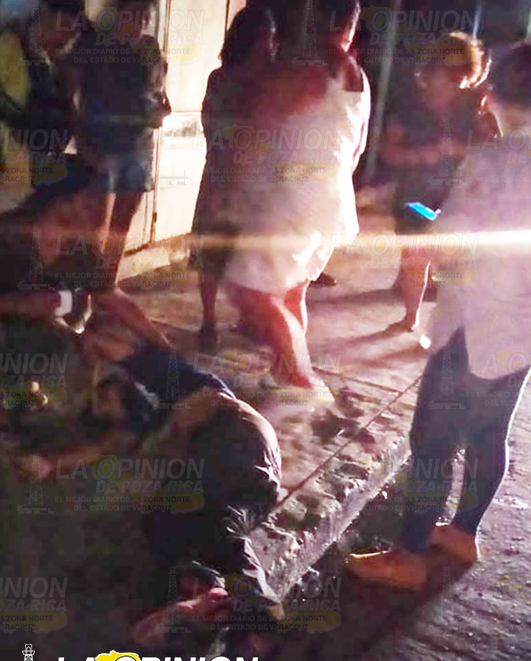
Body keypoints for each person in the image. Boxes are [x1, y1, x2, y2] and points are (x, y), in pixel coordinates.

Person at [346, 42, 531, 590]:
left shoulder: (497, 160)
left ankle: (407, 555)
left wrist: (429, 231)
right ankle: (463, 531)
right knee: (490, 433)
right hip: (522, 330)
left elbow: (454, 241)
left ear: (498, 95)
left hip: (475, 322)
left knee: (431, 439)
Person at [16, 318, 285, 656]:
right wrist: (49, 463)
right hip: (242, 483)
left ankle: (253, 611)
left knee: (211, 518)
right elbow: (100, 446)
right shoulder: (132, 427)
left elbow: (102, 341)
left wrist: (83, 356)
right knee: (164, 524)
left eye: (103, 400)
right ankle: (210, 597)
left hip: (236, 435)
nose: (103, 410)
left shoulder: (157, 373)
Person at [196, 0, 369, 398]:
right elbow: (357, 150)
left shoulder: (308, 69)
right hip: (330, 202)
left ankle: (301, 378)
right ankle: (283, 371)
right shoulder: (360, 79)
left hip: (291, 201)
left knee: (251, 291)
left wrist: (230, 189)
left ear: (315, 17)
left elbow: (258, 132)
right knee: (291, 293)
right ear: (351, 25)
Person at [0, 168, 170, 432]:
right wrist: (18, 303)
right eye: (90, 202)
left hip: (36, 332)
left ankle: (28, 389)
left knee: (79, 397)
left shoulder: (79, 246)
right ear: (60, 201)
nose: (100, 211)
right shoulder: (4, 235)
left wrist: (163, 345)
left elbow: (111, 296)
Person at [381, 31, 497, 333]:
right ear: (433, 69)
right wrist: (420, 155)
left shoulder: (474, 107)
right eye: (451, 75)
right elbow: (389, 152)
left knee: (456, 261)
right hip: (416, 194)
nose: (457, 85)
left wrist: (457, 149)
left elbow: (493, 151)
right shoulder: (409, 106)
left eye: (462, 78)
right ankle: (410, 317)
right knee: (415, 256)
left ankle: (452, 323)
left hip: (461, 196)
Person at [61, 0, 171, 287]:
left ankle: (106, 290)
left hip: (139, 150)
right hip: (102, 147)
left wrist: (161, 111)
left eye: (146, 15)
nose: (141, 21)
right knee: (96, 231)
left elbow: (158, 93)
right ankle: (85, 296)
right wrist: (81, 141)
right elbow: (67, 94)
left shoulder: (150, 49)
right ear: (119, 12)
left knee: (121, 228)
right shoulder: (94, 46)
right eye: (134, 13)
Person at [193, 4, 279, 352]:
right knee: (213, 252)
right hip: (223, 174)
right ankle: (209, 321)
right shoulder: (223, 78)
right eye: (264, 37)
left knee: (251, 253)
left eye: (271, 38)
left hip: (259, 181)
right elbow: (212, 126)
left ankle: (248, 318)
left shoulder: (274, 80)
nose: (268, 44)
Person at [0, 0, 84, 218]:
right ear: (46, 14)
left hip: (40, 185)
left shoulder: (56, 66)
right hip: (4, 183)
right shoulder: (9, 45)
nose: (68, 38)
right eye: (65, 27)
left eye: (73, 33)